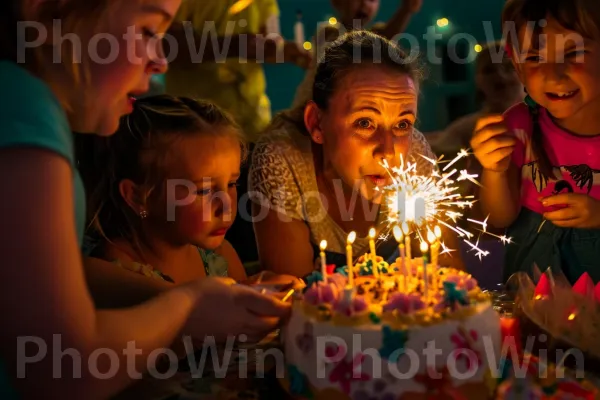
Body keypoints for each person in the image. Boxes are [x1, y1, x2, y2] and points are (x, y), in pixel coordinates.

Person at [0, 1, 288, 398]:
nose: (162, 62)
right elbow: (63, 369)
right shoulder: (24, 117)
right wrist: (188, 305)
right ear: (50, 11)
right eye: (149, 32)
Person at [250, 31, 465, 279]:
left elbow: (450, 279)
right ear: (316, 124)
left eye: (403, 124)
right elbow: (294, 303)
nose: (388, 151)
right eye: (365, 123)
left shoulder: (413, 152)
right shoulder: (283, 159)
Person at [80, 95, 303, 308]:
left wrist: (263, 292)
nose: (226, 206)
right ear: (138, 196)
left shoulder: (220, 255)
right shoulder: (115, 268)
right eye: (204, 191)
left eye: (232, 184)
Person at [471, 0, 600, 284]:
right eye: (534, 58)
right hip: (533, 284)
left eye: (574, 53)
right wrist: (494, 169)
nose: (553, 74)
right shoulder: (519, 125)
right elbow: (500, 218)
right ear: (516, 66)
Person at [165, 0, 313, 142]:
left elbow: (267, 45)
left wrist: (287, 52)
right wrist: (233, 46)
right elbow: (167, 47)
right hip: (197, 122)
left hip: (252, 120)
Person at [430, 41, 523, 229]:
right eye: (489, 70)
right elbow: (433, 158)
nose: (500, 76)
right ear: (478, 80)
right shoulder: (467, 128)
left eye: (508, 67)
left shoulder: (548, 120)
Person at [292, 0, 423, 109]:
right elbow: (377, 39)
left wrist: (407, 10)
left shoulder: (370, 38)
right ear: (337, 2)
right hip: (307, 115)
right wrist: (405, 11)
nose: (365, 3)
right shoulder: (328, 32)